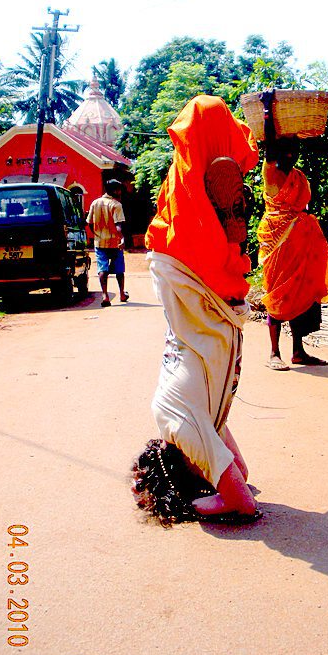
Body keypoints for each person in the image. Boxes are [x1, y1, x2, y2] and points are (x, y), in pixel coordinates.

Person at [131, 95, 260, 526]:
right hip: (209, 322)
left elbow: (207, 251)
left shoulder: (202, 182)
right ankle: (227, 480)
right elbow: (230, 253)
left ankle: (230, 493)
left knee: (185, 412)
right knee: (200, 413)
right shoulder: (205, 181)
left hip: (206, 325)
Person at [257, 89, 328, 371]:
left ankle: (298, 351)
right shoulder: (272, 170)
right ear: (279, 152)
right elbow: (269, 142)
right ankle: (273, 353)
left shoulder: (297, 176)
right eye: (288, 149)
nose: (293, 153)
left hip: (299, 242)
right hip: (277, 242)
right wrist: (268, 110)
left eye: (296, 149)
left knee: (301, 295)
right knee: (278, 293)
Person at [87, 179, 130, 307]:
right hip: (115, 243)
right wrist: (122, 239)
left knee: (102, 268)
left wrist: (96, 234)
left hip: (99, 242)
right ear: (115, 191)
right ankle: (122, 294)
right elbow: (118, 226)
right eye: (119, 190)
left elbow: (89, 222)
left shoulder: (95, 203)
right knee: (119, 269)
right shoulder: (116, 205)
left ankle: (105, 295)